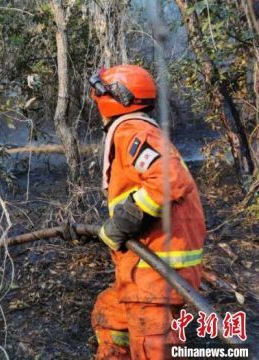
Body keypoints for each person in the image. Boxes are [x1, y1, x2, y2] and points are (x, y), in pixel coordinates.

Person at [86, 65, 206, 359]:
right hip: (143, 269)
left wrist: (120, 225)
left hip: (156, 274)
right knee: (109, 315)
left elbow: (168, 180)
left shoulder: (131, 131)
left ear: (116, 98)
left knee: (152, 347)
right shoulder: (135, 130)